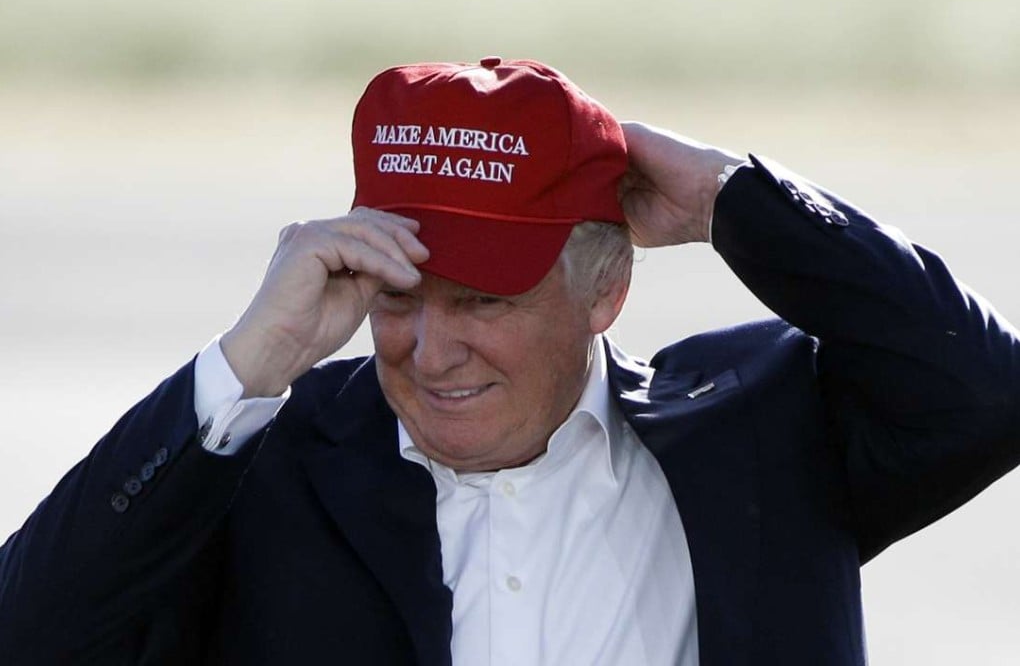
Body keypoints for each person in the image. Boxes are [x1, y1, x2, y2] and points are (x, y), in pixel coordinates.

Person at [1, 57, 1018, 666]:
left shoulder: (758, 433)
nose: (431, 349)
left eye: (483, 299)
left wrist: (734, 201)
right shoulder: (264, 462)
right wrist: (243, 367)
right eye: (396, 294)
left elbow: (984, 391)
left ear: (605, 285)